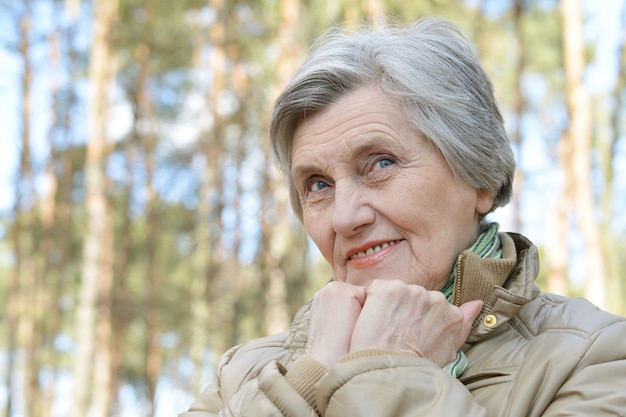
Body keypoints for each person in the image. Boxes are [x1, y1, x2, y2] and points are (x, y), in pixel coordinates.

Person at [180, 17, 626, 416]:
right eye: (318, 184)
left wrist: (388, 372)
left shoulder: (597, 357)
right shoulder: (241, 374)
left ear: (480, 178)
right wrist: (308, 380)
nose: (344, 217)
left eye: (381, 163)